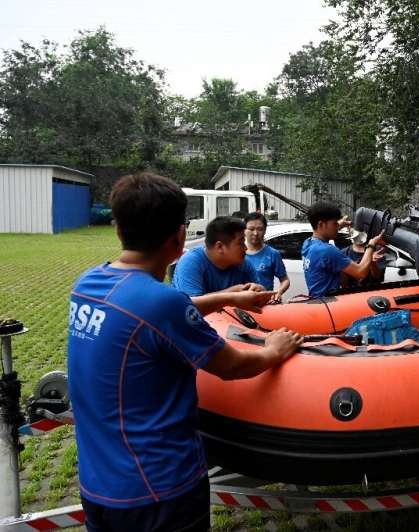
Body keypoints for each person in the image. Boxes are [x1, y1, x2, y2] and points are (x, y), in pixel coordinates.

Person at [67, 172, 303, 531]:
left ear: (118, 230)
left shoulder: (88, 284)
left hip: (99, 486)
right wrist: (273, 349)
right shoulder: (160, 303)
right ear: (180, 238)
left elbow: (159, 312)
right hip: (158, 489)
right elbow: (231, 365)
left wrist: (226, 297)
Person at [301, 201, 384, 297]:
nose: (337, 227)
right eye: (334, 224)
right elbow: (360, 272)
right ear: (321, 224)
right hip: (329, 303)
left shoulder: (307, 244)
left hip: (317, 300)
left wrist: (339, 224)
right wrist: (371, 245)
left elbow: (323, 230)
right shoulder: (326, 250)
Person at [172, 216, 265, 297]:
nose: (245, 248)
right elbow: (191, 305)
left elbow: (261, 297)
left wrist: (260, 291)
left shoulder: (243, 264)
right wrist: (231, 294)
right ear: (220, 247)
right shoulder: (191, 262)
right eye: (240, 243)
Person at [243, 212, 290, 302]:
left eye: (260, 229)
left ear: (265, 230)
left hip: (266, 304)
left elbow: (285, 280)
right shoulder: (237, 252)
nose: (255, 233)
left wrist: (278, 293)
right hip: (241, 306)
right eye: (251, 229)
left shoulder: (273, 254)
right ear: (244, 230)